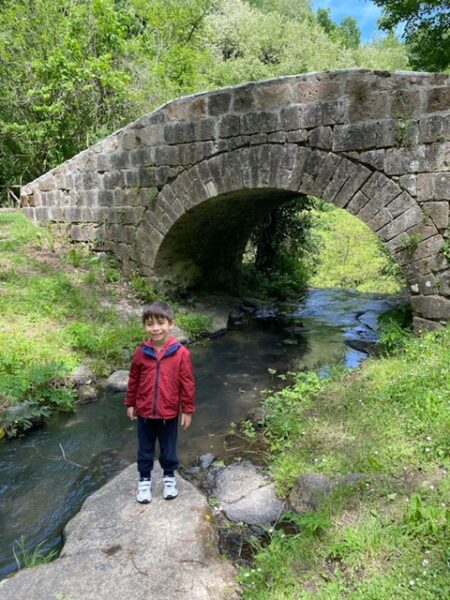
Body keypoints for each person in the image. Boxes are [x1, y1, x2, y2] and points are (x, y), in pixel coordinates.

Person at [124, 301, 196, 503]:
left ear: (171, 324)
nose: (155, 328)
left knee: (169, 449)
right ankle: (144, 480)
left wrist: (187, 410)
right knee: (145, 449)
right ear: (144, 326)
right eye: (150, 323)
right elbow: (133, 379)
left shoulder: (181, 353)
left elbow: (187, 383)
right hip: (145, 412)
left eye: (160, 323)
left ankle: (169, 477)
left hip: (169, 413)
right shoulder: (141, 352)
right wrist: (130, 403)